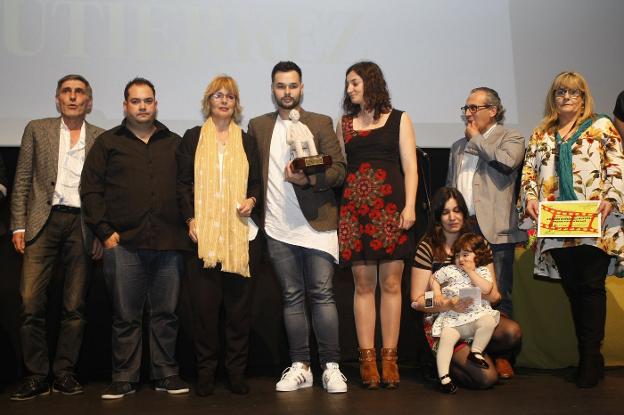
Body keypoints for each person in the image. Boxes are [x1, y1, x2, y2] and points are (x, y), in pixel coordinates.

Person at [81, 78, 191, 399]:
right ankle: (124, 377)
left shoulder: (176, 143)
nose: (142, 106)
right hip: (123, 243)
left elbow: (188, 187)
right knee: (125, 316)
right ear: (125, 106)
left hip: (169, 242)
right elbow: (91, 190)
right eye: (135, 101)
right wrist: (105, 232)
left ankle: (166, 374)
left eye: (148, 101)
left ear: (156, 104)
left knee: (166, 314)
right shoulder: (107, 144)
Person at [247, 61, 348, 394]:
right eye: (280, 86)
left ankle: (331, 367)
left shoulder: (320, 122)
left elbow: (338, 171)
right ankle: (301, 366)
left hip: (317, 224)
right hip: (277, 227)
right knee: (291, 297)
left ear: (301, 88)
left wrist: (308, 178)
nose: (286, 92)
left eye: (292, 86)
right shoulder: (258, 126)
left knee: (321, 295)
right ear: (272, 88)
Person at [520, 71, 624, 388]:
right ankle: (589, 355)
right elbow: (528, 173)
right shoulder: (541, 133)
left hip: (594, 223)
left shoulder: (601, 126)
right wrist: (529, 199)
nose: (566, 97)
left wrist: (611, 197)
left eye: (573, 92)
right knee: (574, 290)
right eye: (560, 92)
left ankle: (590, 359)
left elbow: (617, 165)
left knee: (591, 287)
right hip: (557, 224)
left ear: (583, 97)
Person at [9, 74, 104, 401]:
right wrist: (18, 225)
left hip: (81, 225)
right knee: (30, 302)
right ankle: (36, 374)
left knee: (74, 305)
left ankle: (64, 372)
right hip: (42, 223)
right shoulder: (37, 129)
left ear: (89, 101)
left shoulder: (101, 138)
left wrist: (100, 232)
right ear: (57, 98)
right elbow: (22, 178)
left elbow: (102, 192)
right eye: (67, 92)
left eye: (80, 92)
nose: (73, 97)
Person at [177, 75, 261, 396]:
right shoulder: (192, 138)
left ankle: (236, 374)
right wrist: (189, 218)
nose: (224, 101)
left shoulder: (247, 140)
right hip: (203, 240)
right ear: (208, 102)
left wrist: (252, 200)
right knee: (205, 314)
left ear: (236, 104)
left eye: (230, 96)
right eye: (218, 96)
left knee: (238, 315)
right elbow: (182, 183)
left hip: (241, 239)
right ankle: (206, 374)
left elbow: (256, 183)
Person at [337, 61, 417, 389]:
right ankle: (367, 359)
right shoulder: (344, 123)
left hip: (391, 208)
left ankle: (390, 357)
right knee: (363, 284)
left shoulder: (400, 118)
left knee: (392, 284)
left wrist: (410, 206)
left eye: (354, 83)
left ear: (370, 83)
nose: (349, 89)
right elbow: (337, 166)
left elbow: (410, 167)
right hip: (355, 210)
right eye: (347, 85)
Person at [411, 187, 522, 389]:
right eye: (445, 212)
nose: (452, 217)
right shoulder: (427, 247)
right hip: (443, 320)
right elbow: (417, 301)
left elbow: (495, 297)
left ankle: (477, 350)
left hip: (475, 314)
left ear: (464, 212)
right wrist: (446, 303)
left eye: (457, 210)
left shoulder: (477, 244)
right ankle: (438, 362)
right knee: (487, 379)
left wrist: (482, 292)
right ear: (437, 217)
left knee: (512, 332)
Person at [446, 87, 525, 321]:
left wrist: (477, 140)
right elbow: (451, 185)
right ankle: (473, 353)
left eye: (474, 108)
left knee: (498, 295)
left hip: (495, 231)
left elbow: (506, 163)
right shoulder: (458, 146)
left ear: (492, 111)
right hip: (463, 229)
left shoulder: (511, 138)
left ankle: (502, 354)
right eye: (466, 108)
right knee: (465, 295)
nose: (468, 113)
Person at [431, 233, 500, 394]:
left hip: (476, 315)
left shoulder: (482, 271)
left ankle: (476, 352)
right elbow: (434, 278)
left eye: (466, 255)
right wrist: (437, 293)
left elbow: (487, 289)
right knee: (446, 340)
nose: (461, 259)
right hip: (454, 318)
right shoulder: (450, 270)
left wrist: (471, 272)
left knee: (489, 321)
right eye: (457, 255)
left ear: (478, 256)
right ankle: (444, 377)